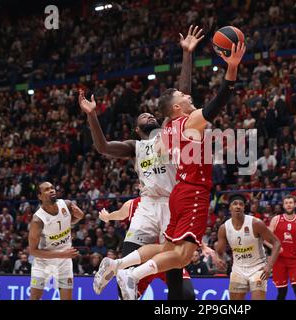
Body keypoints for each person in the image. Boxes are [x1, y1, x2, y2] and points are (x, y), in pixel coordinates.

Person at [98, 38, 246, 300]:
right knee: (181, 256)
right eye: (183, 97)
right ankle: (131, 274)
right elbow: (220, 100)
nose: (188, 96)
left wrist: (187, 54)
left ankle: (118, 264)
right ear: (178, 108)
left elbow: (166, 136)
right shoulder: (188, 122)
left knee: (166, 248)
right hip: (192, 192)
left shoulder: (166, 130)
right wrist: (232, 68)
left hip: (177, 194)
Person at [85, 26, 204, 300]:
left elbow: (182, 96)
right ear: (136, 129)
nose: (149, 116)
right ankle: (116, 271)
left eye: (152, 114)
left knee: (176, 275)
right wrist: (92, 115)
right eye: (143, 116)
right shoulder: (135, 147)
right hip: (148, 205)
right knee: (126, 276)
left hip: (174, 203)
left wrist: (187, 54)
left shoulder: (168, 132)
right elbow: (102, 146)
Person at [98, 197, 195, 299]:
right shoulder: (136, 204)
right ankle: (119, 265)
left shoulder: (176, 201)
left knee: (187, 294)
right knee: (125, 296)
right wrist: (107, 217)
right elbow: (120, 214)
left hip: (167, 260)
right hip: (144, 261)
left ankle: (117, 264)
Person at [215, 194, 281, 300]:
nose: (238, 206)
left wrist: (269, 266)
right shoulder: (224, 228)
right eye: (235, 204)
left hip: (258, 268)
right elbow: (219, 251)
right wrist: (218, 258)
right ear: (230, 207)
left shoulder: (256, 223)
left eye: (241, 204)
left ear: (244, 207)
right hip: (238, 269)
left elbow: (277, 243)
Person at [29, 182, 84, 300]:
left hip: (64, 261)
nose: (52, 190)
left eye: (52, 188)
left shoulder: (67, 204)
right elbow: (33, 251)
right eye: (47, 189)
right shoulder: (37, 219)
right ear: (39, 196)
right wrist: (62, 254)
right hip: (44, 262)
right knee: (35, 297)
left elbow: (66, 222)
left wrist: (80, 216)